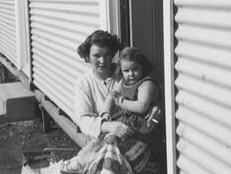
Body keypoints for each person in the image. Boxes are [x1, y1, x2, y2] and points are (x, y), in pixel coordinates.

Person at [60, 30, 163, 174]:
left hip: (133, 138)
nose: (102, 61)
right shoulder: (84, 83)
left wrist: (158, 105)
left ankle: (77, 163)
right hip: (100, 142)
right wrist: (109, 125)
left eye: (107, 55)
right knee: (110, 149)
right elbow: (83, 119)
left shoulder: (125, 71)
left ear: (113, 54)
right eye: (96, 56)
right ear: (88, 57)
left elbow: (153, 88)